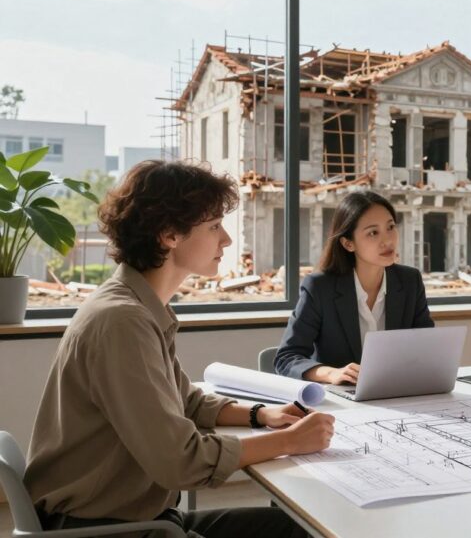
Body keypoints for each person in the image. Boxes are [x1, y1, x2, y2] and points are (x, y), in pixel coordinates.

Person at [25, 160, 334, 537]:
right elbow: (180, 460)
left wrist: (261, 416)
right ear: (170, 235)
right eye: (214, 226)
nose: (227, 240)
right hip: (108, 530)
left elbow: (184, 400)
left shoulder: (139, 305)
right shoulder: (122, 321)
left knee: (295, 528)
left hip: (136, 520)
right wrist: (289, 441)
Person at [276, 190, 433, 384]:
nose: (388, 240)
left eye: (390, 227)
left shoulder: (410, 281)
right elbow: (287, 358)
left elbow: (428, 348)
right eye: (373, 233)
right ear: (348, 243)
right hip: (343, 403)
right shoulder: (320, 287)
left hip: (398, 395)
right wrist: (331, 373)